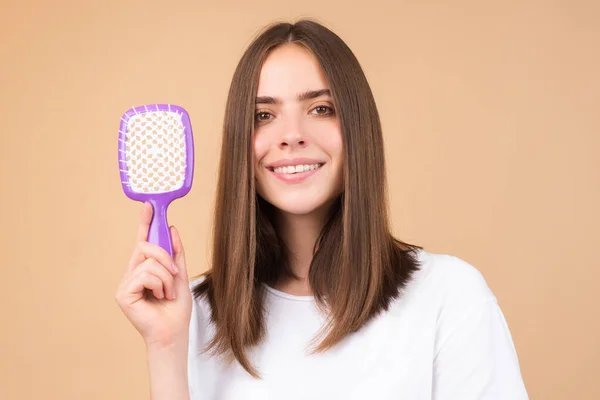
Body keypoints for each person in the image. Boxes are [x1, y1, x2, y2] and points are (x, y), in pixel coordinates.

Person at [115, 19, 529, 400]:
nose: (291, 135)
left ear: (357, 128)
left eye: (320, 109)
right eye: (263, 115)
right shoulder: (192, 315)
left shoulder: (448, 296)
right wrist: (166, 348)